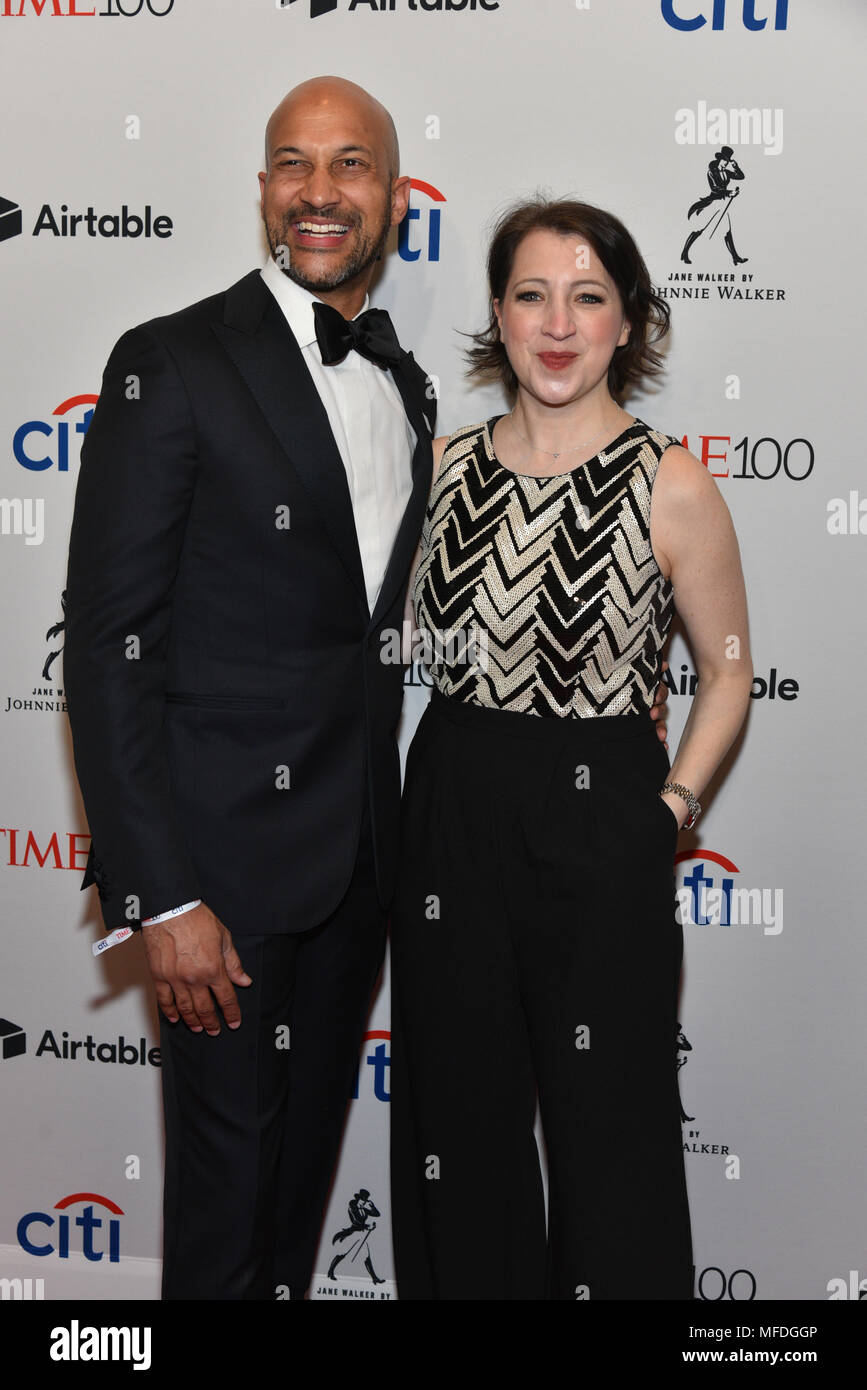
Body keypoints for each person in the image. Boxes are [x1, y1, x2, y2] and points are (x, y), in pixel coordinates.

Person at [64, 75, 437, 1301]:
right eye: (293, 163)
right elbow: (111, 643)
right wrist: (158, 894)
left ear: (394, 197)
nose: (320, 191)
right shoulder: (168, 363)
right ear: (265, 190)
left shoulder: (409, 389)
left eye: (350, 166)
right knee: (223, 1217)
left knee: (293, 1205)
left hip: (358, 869)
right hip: (216, 881)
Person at [390, 196, 752, 1300]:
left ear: (627, 323)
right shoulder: (440, 466)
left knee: (615, 1135)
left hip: (603, 812)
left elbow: (729, 669)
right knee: (460, 1125)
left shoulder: (672, 482)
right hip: (452, 800)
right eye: (533, 294)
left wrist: (670, 811)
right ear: (496, 313)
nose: (558, 323)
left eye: (588, 297)